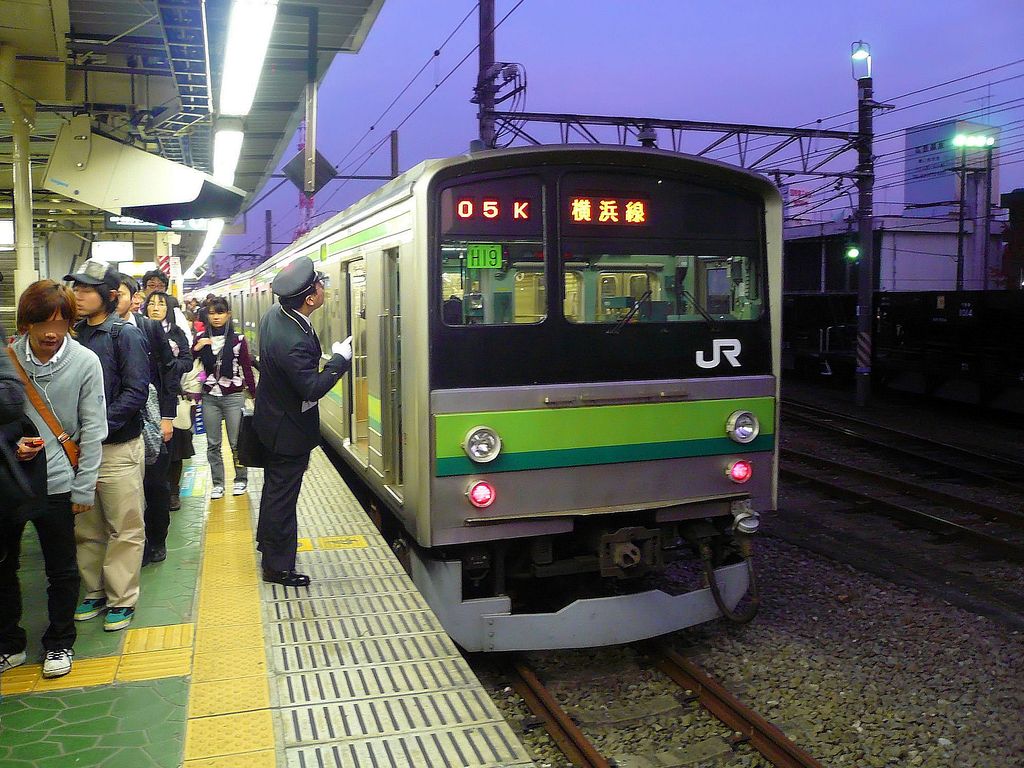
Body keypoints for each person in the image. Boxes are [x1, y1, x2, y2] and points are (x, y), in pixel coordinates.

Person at [0, 281, 107, 678]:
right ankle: (9, 643)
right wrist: (12, 447)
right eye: (41, 323)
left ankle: (60, 643)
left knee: (61, 568)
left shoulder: (84, 362)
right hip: (11, 481)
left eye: (60, 323)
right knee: (4, 566)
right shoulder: (7, 360)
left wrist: (85, 486)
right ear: (25, 323)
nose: (50, 332)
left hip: (61, 481)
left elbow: (94, 429)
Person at [254, 256, 352, 587]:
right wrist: (340, 361)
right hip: (287, 431)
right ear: (310, 298)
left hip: (273, 422)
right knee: (283, 496)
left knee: (274, 491)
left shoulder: (275, 316)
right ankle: (278, 567)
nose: (324, 288)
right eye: (320, 285)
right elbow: (311, 387)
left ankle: (267, 545)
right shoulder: (293, 339)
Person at [65, 259, 149, 632]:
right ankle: (94, 589)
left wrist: (96, 429)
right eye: (76, 289)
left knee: (124, 525)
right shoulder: (74, 334)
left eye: (85, 290)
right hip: (80, 450)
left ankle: (121, 596)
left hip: (116, 448)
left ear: (110, 296)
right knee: (87, 524)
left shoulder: (124, 335)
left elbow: (136, 392)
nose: (77, 296)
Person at [115, 275, 178, 566]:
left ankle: (157, 539)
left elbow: (168, 372)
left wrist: (167, 416)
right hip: (118, 424)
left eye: (121, 293)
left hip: (151, 420)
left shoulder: (149, 328)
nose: (115, 299)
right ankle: (132, 546)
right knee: (127, 492)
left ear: (132, 296)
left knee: (155, 485)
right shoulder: (90, 332)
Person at [192, 296, 256, 500]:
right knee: (212, 444)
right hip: (209, 396)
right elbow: (188, 364)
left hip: (233, 396)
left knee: (236, 442)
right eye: (212, 313)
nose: (216, 317)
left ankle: (241, 480)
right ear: (207, 315)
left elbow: (246, 368)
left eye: (220, 312)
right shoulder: (200, 337)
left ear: (228, 315)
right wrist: (197, 348)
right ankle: (218, 483)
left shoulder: (238, 339)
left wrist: (255, 395)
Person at [145, 291, 194, 511]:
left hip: (171, 394)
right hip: (145, 396)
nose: (155, 307)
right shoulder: (136, 330)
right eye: (151, 303)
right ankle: (153, 492)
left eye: (161, 304)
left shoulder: (176, 333)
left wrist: (171, 366)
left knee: (174, 447)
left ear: (168, 309)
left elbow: (187, 361)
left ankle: (173, 492)